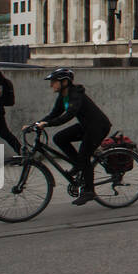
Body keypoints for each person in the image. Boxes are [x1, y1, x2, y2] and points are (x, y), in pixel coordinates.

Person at [31, 67, 112, 206]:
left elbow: (69, 115)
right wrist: (35, 124)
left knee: (84, 155)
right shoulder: (63, 96)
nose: (51, 85)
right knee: (59, 138)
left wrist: (47, 124)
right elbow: (54, 114)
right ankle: (78, 165)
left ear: (65, 82)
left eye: (54, 82)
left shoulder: (76, 94)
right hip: (86, 126)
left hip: (98, 127)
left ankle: (89, 191)